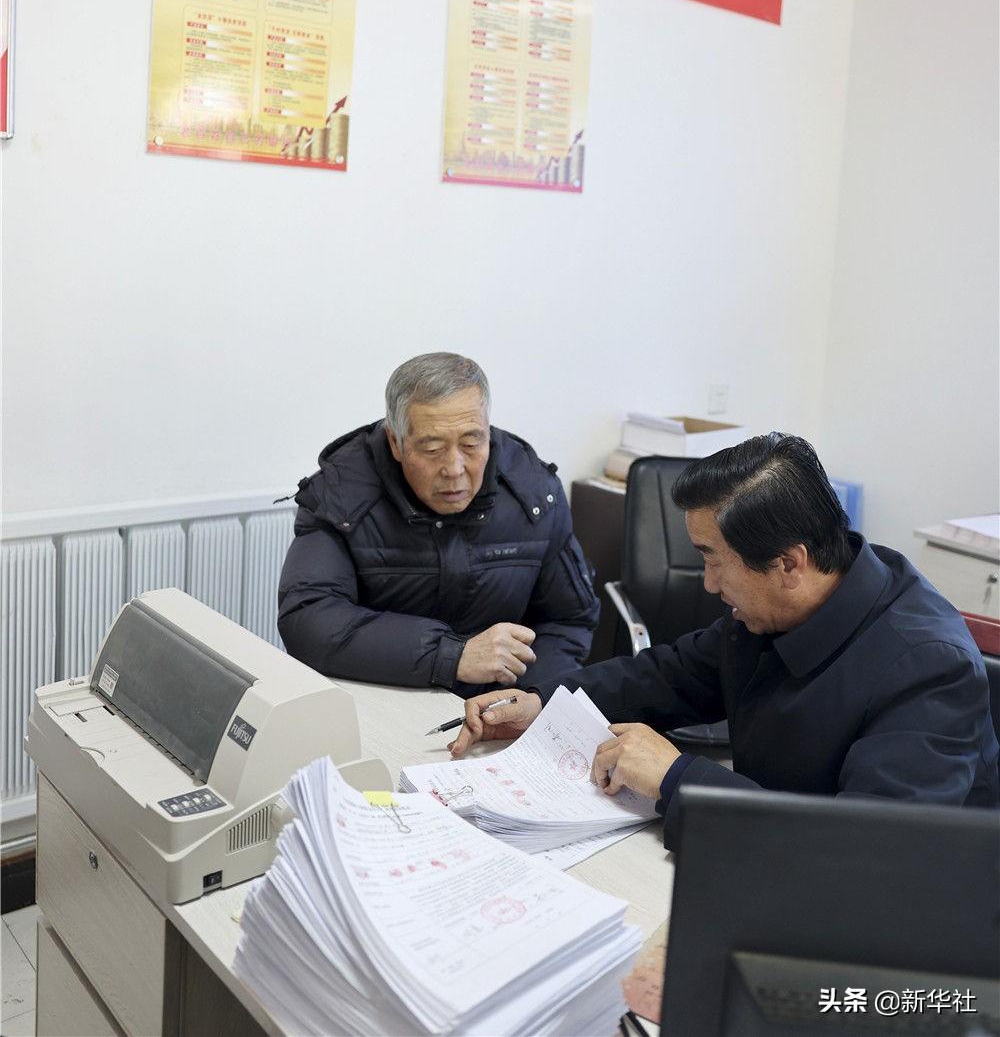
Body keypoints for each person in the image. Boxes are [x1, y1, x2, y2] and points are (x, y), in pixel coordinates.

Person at [451, 433, 999, 845]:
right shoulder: (776, 609)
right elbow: (667, 675)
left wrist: (678, 776)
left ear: (789, 563)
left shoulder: (928, 669)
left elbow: (866, 851)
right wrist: (546, 704)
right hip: (760, 856)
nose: (708, 584)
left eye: (713, 560)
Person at [278, 352, 599, 696]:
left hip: (499, 704)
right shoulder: (341, 495)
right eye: (432, 448)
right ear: (395, 443)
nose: (455, 468)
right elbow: (309, 619)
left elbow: (567, 620)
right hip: (381, 696)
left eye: (471, 443)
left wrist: (532, 698)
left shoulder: (533, 493)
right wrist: (450, 656)